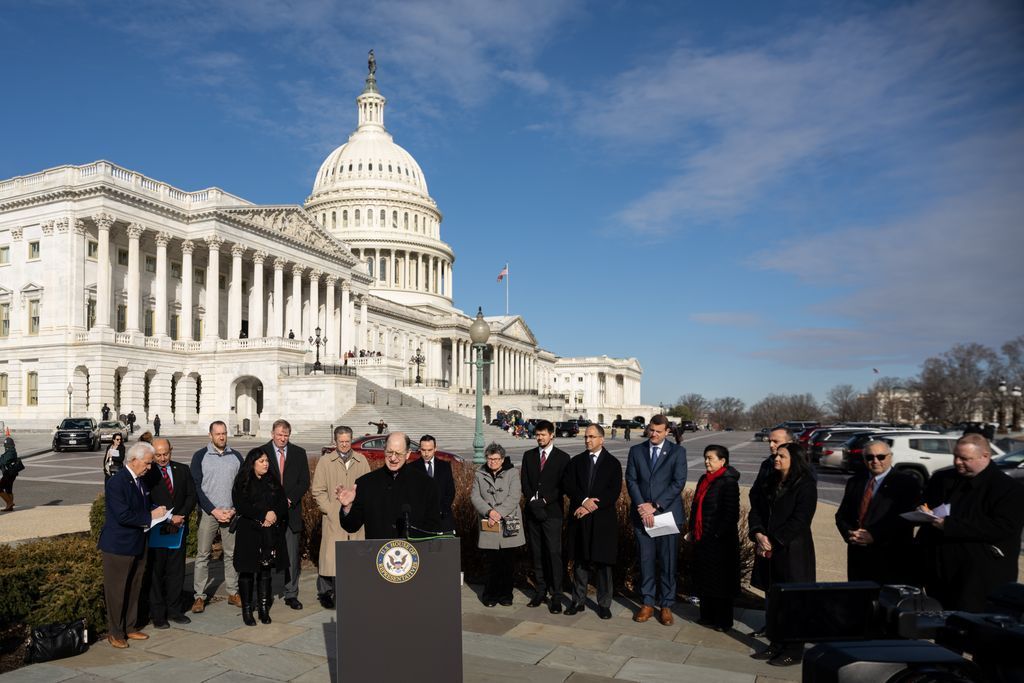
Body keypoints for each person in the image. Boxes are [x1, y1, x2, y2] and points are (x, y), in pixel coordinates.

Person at [916, 433, 1024, 612]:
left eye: (965, 458)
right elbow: (925, 502)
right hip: (939, 569)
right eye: (955, 456)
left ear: (985, 457)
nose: (957, 462)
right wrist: (922, 510)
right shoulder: (943, 479)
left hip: (979, 575)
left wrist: (948, 525)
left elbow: (1003, 528)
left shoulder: (1008, 489)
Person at [748, 441, 817, 667]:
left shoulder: (806, 485)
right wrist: (758, 533)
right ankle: (776, 644)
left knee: (793, 603)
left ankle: (794, 650)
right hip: (768, 550)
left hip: (792, 552)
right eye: (776, 455)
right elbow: (756, 509)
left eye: (782, 456)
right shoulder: (771, 480)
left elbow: (801, 519)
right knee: (775, 600)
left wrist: (774, 541)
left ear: (794, 460)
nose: (776, 459)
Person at [97, 441, 167, 649]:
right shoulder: (117, 482)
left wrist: (159, 511)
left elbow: (141, 505)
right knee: (117, 591)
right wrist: (150, 515)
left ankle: (130, 626)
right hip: (118, 546)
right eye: (147, 463)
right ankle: (115, 632)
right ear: (134, 460)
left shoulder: (140, 480)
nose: (149, 467)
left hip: (138, 541)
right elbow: (123, 514)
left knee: (134, 587)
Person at [625, 414, 687, 625]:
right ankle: (647, 603)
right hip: (642, 516)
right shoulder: (636, 451)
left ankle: (666, 605)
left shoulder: (677, 452)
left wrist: (655, 506)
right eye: (651, 430)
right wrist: (643, 507)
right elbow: (631, 480)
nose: (654, 434)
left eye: (658, 431)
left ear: (667, 431)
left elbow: (678, 483)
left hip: (666, 516)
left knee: (668, 563)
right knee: (646, 560)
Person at [834, 440, 920, 585]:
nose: (875, 461)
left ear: (890, 456)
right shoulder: (855, 482)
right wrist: (850, 534)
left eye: (881, 457)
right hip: (858, 555)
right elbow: (841, 515)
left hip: (890, 557)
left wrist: (874, 536)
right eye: (869, 457)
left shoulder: (906, 483)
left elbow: (905, 519)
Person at [563, 424, 622, 619]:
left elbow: (612, 493)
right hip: (580, 518)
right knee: (580, 562)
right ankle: (577, 601)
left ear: (602, 439)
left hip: (602, 520)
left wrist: (589, 506)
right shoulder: (576, 461)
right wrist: (583, 501)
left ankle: (604, 604)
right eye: (586, 437)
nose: (587, 440)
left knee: (603, 564)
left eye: (592, 437)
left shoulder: (613, 463)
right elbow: (569, 485)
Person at [338, 432, 441, 538]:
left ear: (408, 454)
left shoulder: (426, 484)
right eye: (389, 452)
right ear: (384, 451)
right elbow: (351, 526)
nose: (393, 458)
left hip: (415, 552)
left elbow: (433, 526)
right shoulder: (365, 483)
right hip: (377, 553)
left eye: (398, 454)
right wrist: (347, 507)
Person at [311, 426, 369, 609]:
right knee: (331, 557)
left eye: (347, 441)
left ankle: (352, 592)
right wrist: (329, 510)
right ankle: (327, 593)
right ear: (335, 442)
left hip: (356, 518)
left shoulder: (361, 460)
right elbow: (318, 491)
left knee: (354, 555)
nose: (344, 445)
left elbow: (368, 488)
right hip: (334, 518)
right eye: (341, 441)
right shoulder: (325, 462)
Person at [254, 419, 310, 610]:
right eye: (279, 435)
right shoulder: (261, 453)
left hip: (291, 512)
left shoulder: (299, 453)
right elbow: (256, 480)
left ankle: (291, 594)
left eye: (286, 435)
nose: (282, 439)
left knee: (292, 557)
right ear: (272, 434)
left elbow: (304, 482)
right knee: (265, 556)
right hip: (268, 514)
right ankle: (264, 595)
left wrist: (289, 499)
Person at [142, 438, 197, 628]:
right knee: (156, 572)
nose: (163, 458)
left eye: (166, 454)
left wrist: (182, 514)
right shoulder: (148, 473)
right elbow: (144, 500)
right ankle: (158, 614)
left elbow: (191, 494)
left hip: (178, 527)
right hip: (158, 528)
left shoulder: (182, 470)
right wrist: (163, 515)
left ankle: (175, 609)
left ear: (171, 451)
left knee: (176, 571)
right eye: (158, 455)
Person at [685, 445, 741, 631]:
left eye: (710, 458)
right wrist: (693, 529)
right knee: (705, 579)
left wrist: (716, 535)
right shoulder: (704, 479)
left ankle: (723, 621)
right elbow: (696, 507)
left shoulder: (728, 481)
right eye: (705, 457)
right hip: (702, 538)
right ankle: (707, 616)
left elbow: (730, 514)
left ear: (722, 461)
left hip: (720, 541)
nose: (706, 461)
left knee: (721, 582)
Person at [190, 421, 244, 613]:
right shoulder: (200, 456)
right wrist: (213, 510)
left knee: (231, 554)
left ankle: (233, 592)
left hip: (231, 513)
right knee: (203, 555)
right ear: (210, 435)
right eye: (217, 434)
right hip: (208, 514)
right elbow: (197, 487)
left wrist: (234, 509)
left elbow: (242, 486)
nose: (221, 437)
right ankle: (199, 596)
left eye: (224, 433)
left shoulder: (236, 456)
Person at [232, 448, 289, 625]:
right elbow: (241, 505)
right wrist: (263, 514)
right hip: (249, 532)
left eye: (266, 461)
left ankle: (264, 608)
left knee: (265, 570)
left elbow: (281, 501)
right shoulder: (242, 480)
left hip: (269, 532)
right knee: (247, 571)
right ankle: (247, 609)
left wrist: (273, 515)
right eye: (262, 461)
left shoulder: (272, 479)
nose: (266, 464)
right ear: (253, 463)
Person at [521, 419, 570, 613]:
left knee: (553, 554)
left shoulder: (563, 458)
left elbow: (563, 486)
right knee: (537, 553)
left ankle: (556, 595)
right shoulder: (529, 455)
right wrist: (533, 501)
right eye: (537, 434)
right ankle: (540, 591)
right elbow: (525, 480)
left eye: (543, 434)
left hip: (552, 513)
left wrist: (544, 501)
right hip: (532, 512)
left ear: (552, 435)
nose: (539, 438)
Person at [471, 443, 525, 607]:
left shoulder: (513, 472)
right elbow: (475, 496)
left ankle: (506, 595)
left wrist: (499, 512)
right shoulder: (480, 473)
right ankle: (490, 595)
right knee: (491, 562)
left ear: (502, 459)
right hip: (489, 523)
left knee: (507, 563)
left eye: (495, 459)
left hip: (508, 523)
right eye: (489, 458)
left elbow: (515, 496)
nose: (492, 462)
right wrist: (489, 512)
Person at [411, 435, 455, 531]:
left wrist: (442, 510)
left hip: (443, 518)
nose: (426, 453)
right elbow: (411, 493)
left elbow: (450, 491)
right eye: (423, 450)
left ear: (435, 449)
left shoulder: (445, 467)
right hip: (421, 520)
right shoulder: (412, 468)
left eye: (429, 450)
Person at [0, 437, 24, 512]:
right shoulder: (12, 451)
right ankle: (9, 507)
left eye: (5, 445)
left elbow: (4, 462)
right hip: (11, 474)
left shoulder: (10, 452)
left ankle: (9, 502)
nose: (5, 446)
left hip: (8, 474)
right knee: (8, 489)